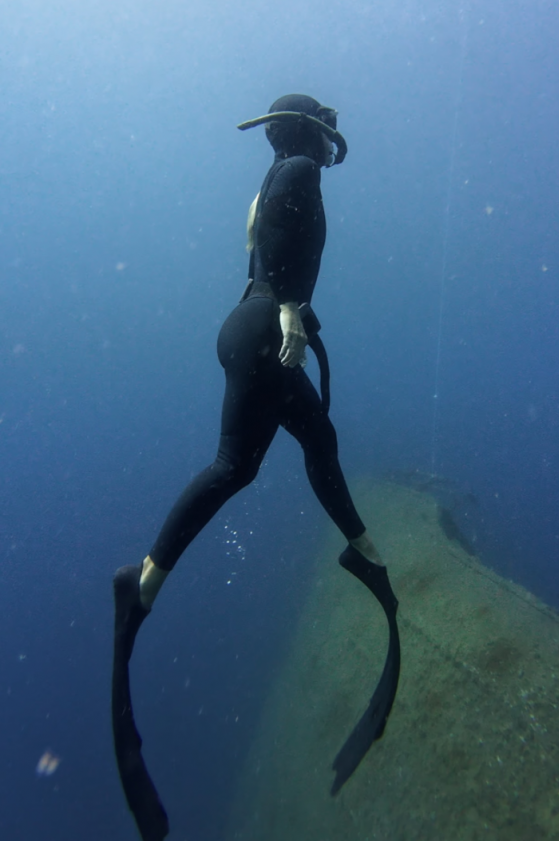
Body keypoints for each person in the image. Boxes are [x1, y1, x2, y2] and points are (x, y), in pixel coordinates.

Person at [112, 94, 400, 841]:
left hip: (246, 322)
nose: (329, 153)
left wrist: (282, 306)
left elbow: (265, 232)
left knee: (286, 449)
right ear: (309, 133)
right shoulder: (299, 167)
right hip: (265, 322)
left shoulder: (272, 173)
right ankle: (145, 580)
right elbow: (279, 239)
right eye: (324, 137)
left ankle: (150, 581)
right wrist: (289, 310)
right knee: (264, 458)